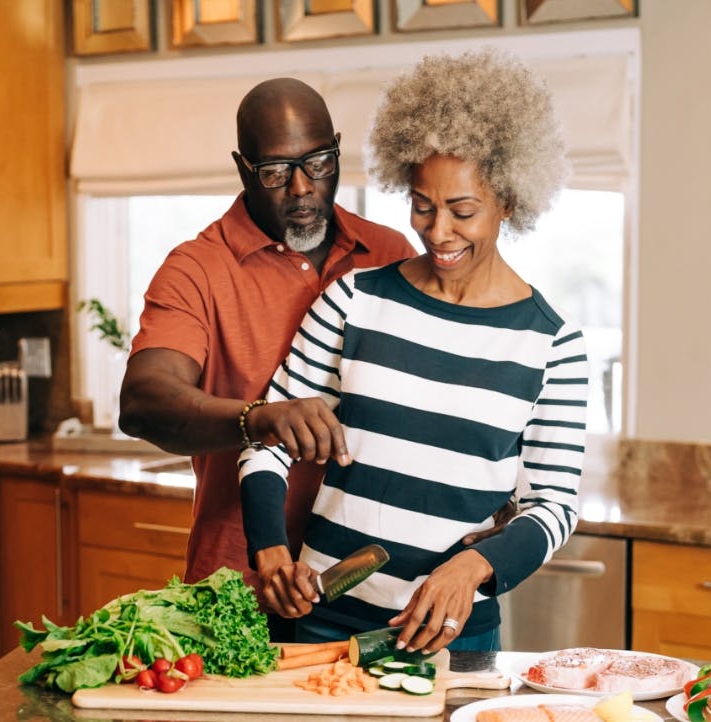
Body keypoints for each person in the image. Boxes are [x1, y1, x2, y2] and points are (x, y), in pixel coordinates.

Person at [238, 48, 588, 655]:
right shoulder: (353, 299)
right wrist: (269, 548)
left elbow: (553, 506)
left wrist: (471, 572)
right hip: (322, 623)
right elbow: (266, 442)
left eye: (463, 210)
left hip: (453, 638)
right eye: (422, 205)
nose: (438, 231)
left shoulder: (552, 344)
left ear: (508, 199)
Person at [116, 78, 417, 640]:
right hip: (242, 589)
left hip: (371, 587)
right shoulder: (196, 270)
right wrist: (260, 418)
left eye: (319, 164)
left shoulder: (390, 255)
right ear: (242, 168)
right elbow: (143, 402)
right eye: (276, 172)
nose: (302, 188)